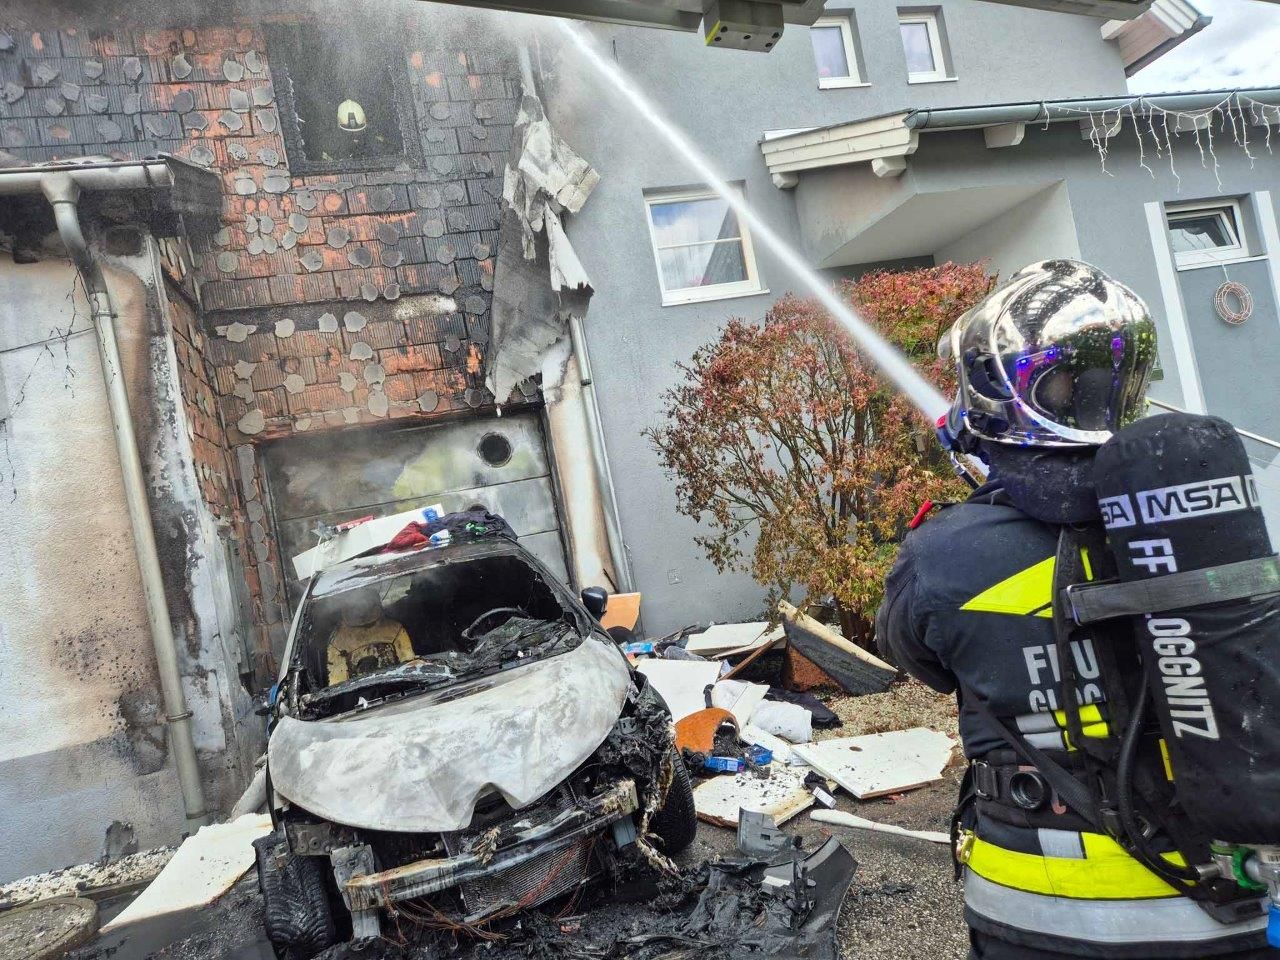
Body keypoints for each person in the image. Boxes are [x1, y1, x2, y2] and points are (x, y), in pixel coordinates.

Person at [875, 260, 1270, 959]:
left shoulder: (945, 555)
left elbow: (917, 657)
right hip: (1225, 911)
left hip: (1035, 920)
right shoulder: (1201, 528)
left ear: (1000, 391)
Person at [326, 586, 416, 685]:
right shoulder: (338, 641)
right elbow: (338, 683)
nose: (361, 610)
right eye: (357, 605)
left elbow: (409, 666)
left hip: (396, 687)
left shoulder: (394, 629)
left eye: (364, 604)